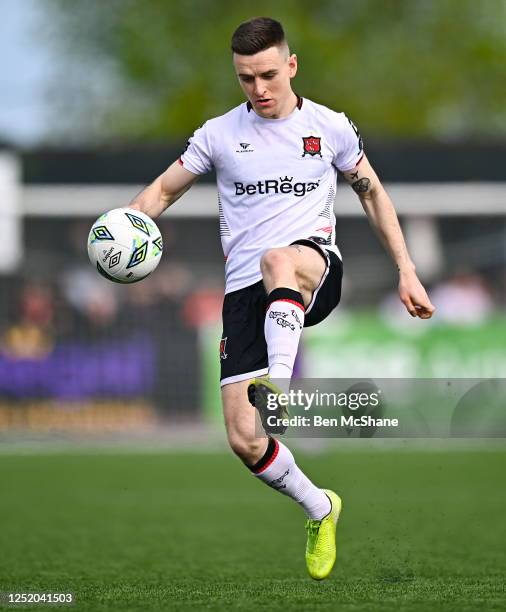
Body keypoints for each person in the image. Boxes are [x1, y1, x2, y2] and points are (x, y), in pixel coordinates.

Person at [128, 16, 435, 580]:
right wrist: (122, 230)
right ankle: (320, 507)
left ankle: (281, 383)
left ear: (291, 65)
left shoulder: (330, 127)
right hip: (246, 294)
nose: (259, 88)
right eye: (246, 78)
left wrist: (406, 269)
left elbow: (372, 194)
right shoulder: (218, 134)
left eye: (268, 74)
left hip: (311, 266)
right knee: (245, 440)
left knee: (278, 258)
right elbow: (163, 191)